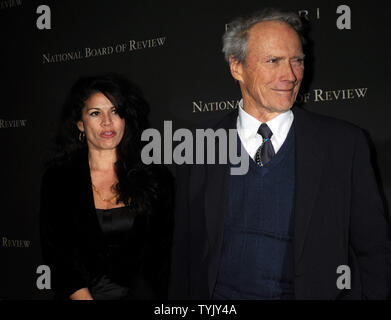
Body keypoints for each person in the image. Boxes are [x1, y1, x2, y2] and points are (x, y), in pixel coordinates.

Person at [169, 8, 391, 299]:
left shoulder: (344, 143)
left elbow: (373, 247)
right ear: (236, 67)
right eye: (273, 61)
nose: (290, 75)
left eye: (297, 61)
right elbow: (184, 247)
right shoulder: (201, 143)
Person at [39, 73, 174, 300]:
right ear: (80, 123)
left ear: (125, 118)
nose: (107, 122)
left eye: (115, 111)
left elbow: (164, 257)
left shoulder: (156, 178)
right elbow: (58, 256)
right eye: (95, 113)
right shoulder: (58, 180)